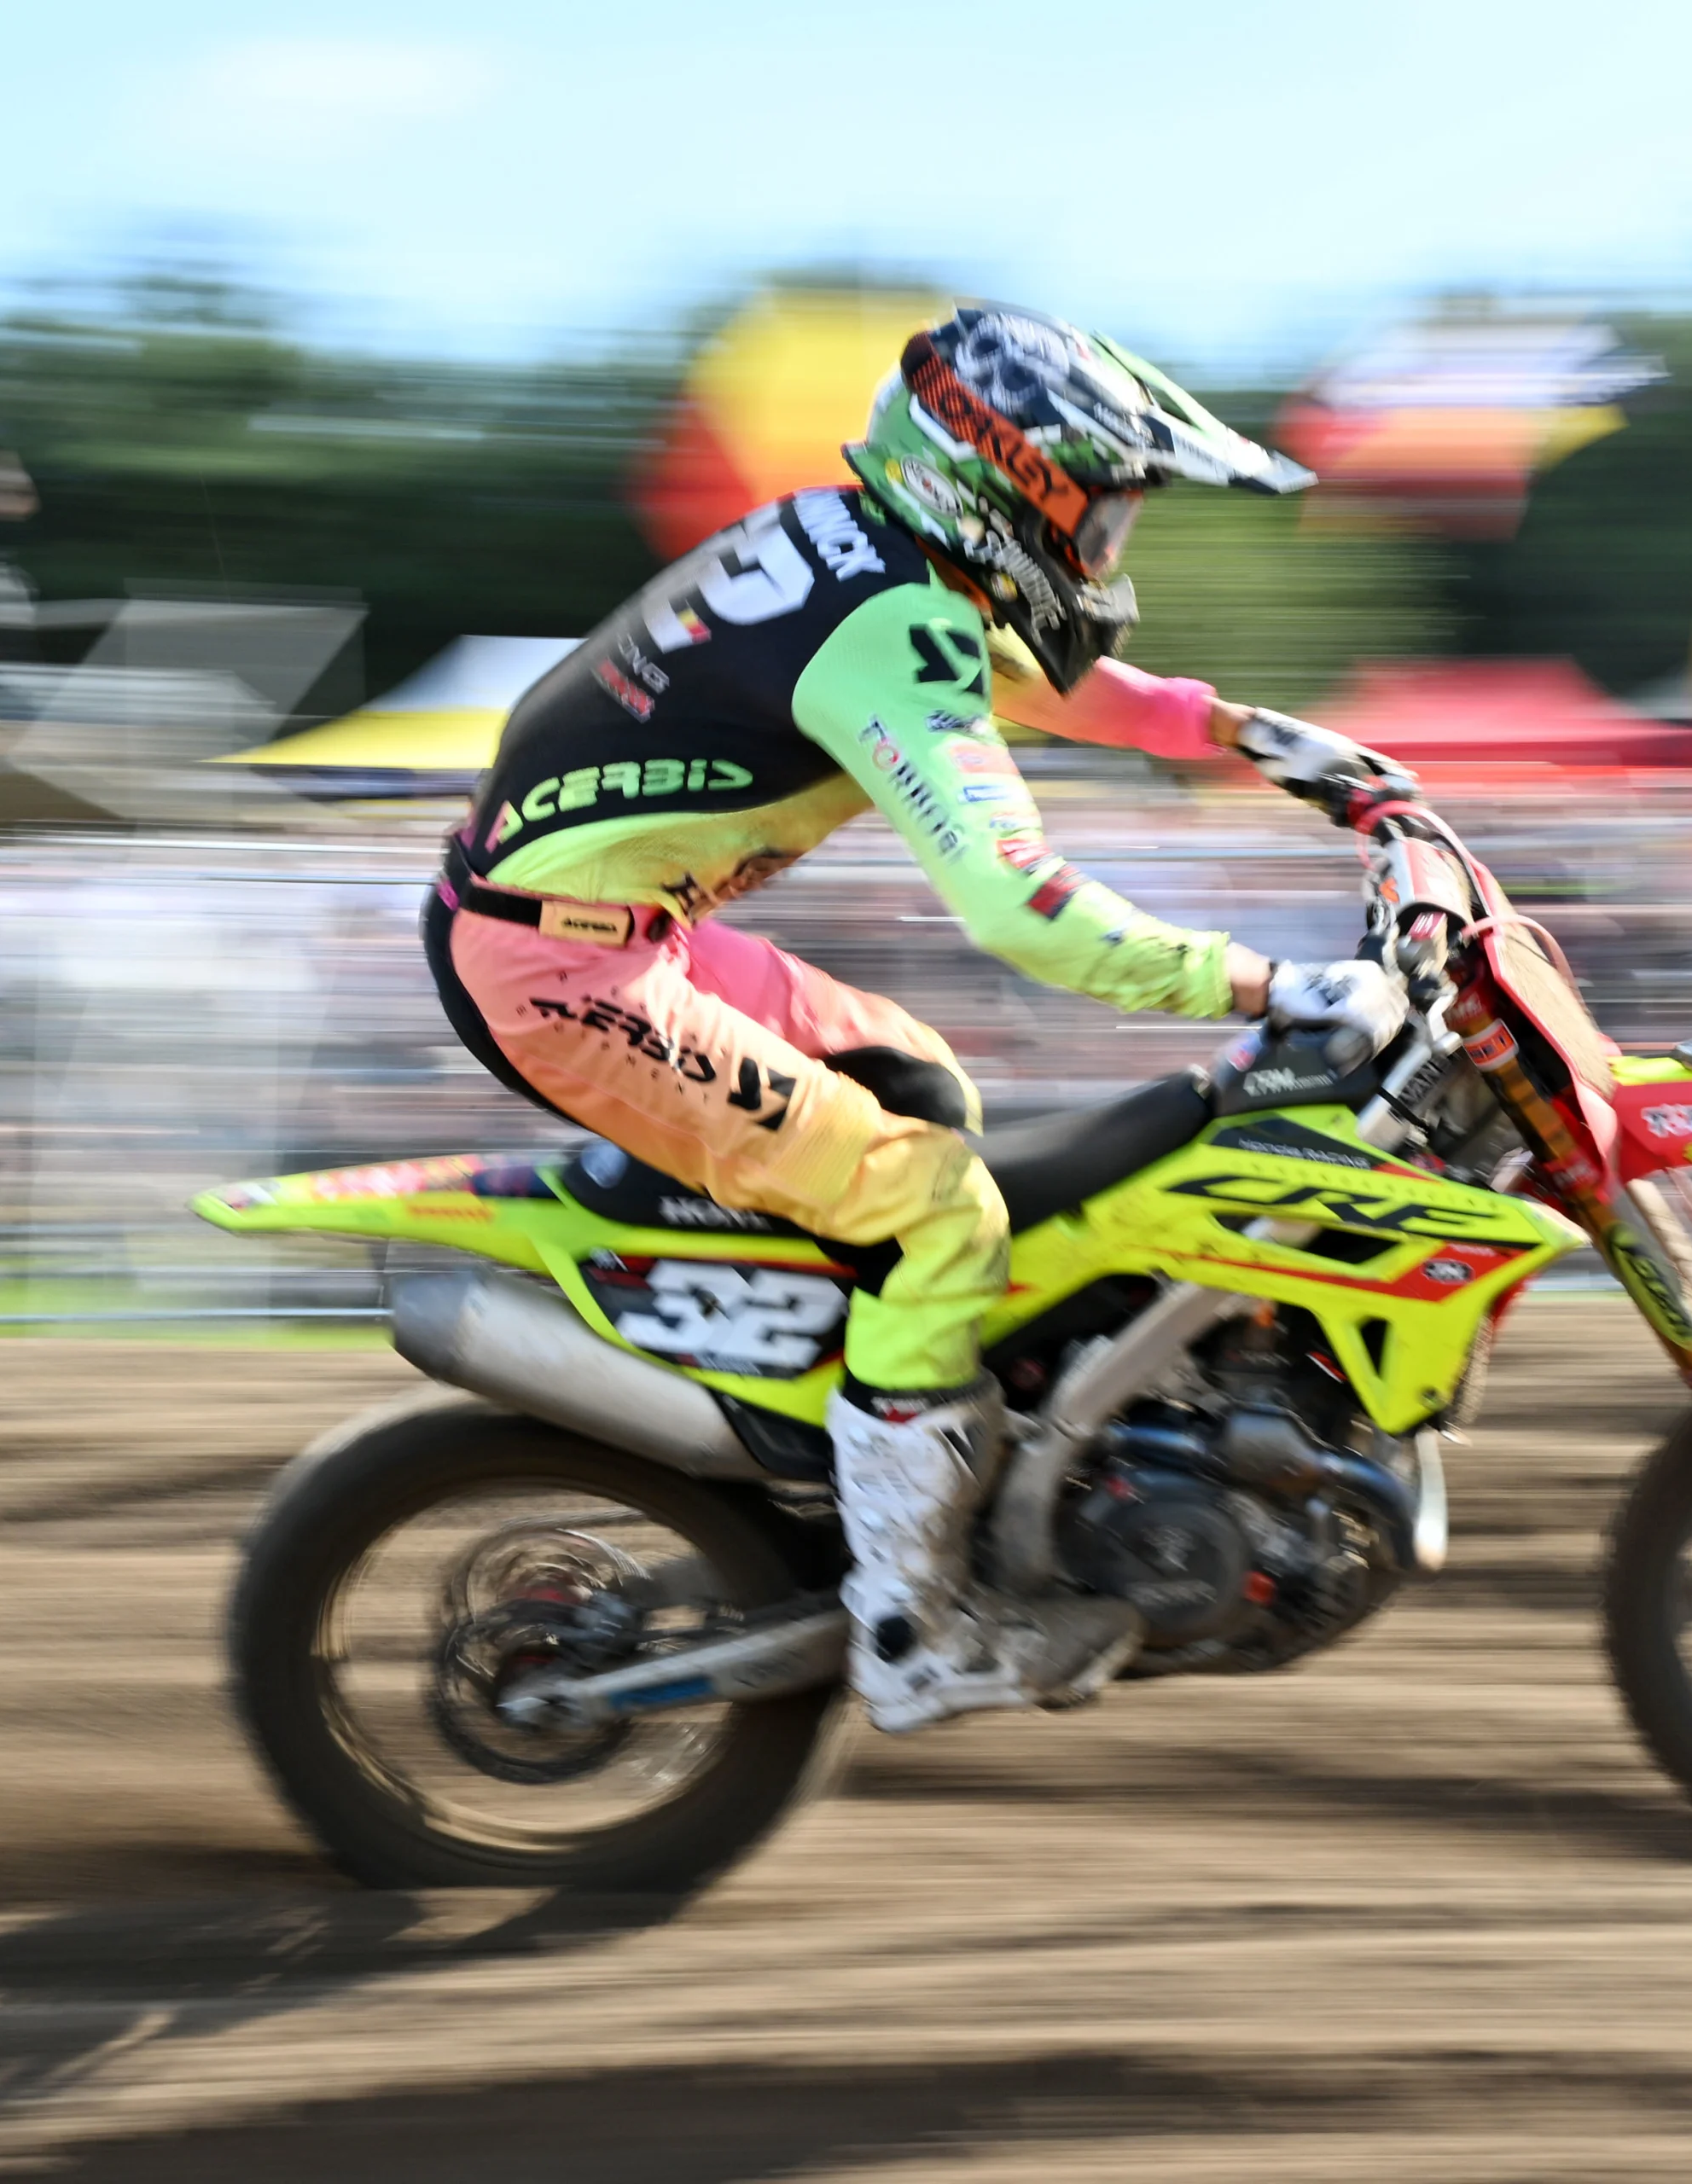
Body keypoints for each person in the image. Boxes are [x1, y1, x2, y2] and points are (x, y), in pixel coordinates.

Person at [427, 305, 1409, 1734]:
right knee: (944, 1213)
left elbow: (1028, 681)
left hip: (611, 932)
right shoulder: (892, 619)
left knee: (921, 1086)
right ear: (1000, 479)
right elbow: (1021, 909)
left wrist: (1252, 736)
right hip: (570, 975)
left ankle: (889, 1421)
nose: (1110, 543)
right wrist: (1263, 983)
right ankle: (910, 1625)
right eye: (1101, 506)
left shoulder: (863, 543)